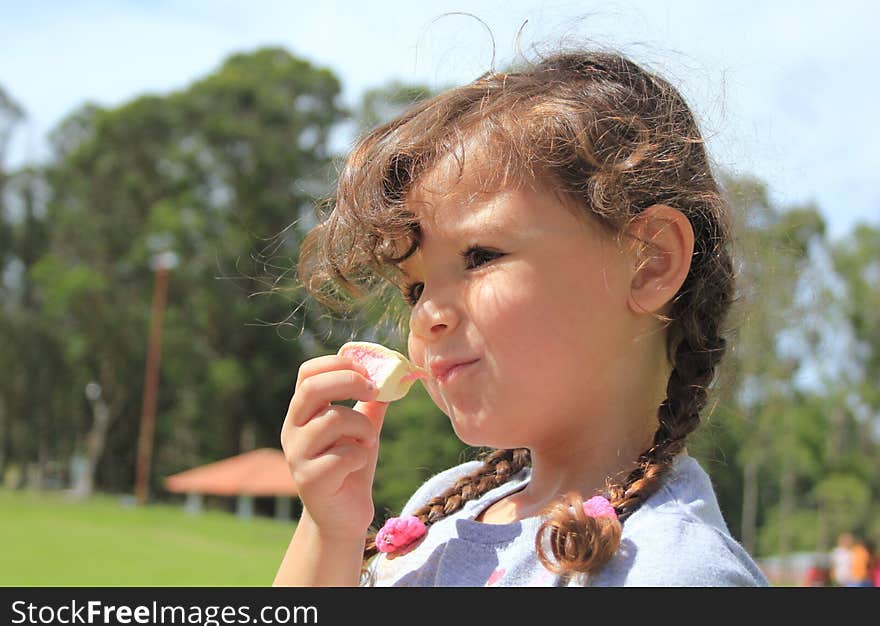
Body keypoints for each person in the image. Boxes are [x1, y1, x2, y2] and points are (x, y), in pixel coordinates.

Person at [273, 48, 768, 586]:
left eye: (481, 256)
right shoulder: (439, 511)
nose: (426, 317)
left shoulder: (670, 571)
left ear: (649, 261)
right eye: (415, 287)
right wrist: (330, 532)